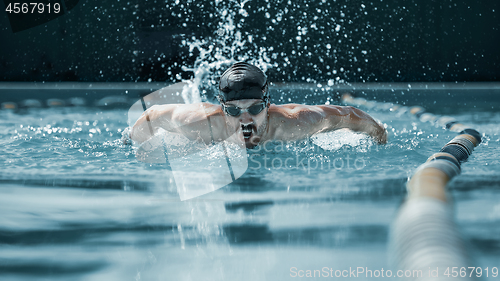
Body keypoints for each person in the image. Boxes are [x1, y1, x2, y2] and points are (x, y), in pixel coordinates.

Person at [130, 62, 387, 149]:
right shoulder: (200, 124)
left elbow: (346, 115)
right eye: (233, 110)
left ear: (268, 103)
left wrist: (380, 135)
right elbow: (152, 116)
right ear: (221, 108)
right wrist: (130, 144)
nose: (244, 120)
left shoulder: (295, 122)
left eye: (253, 109)